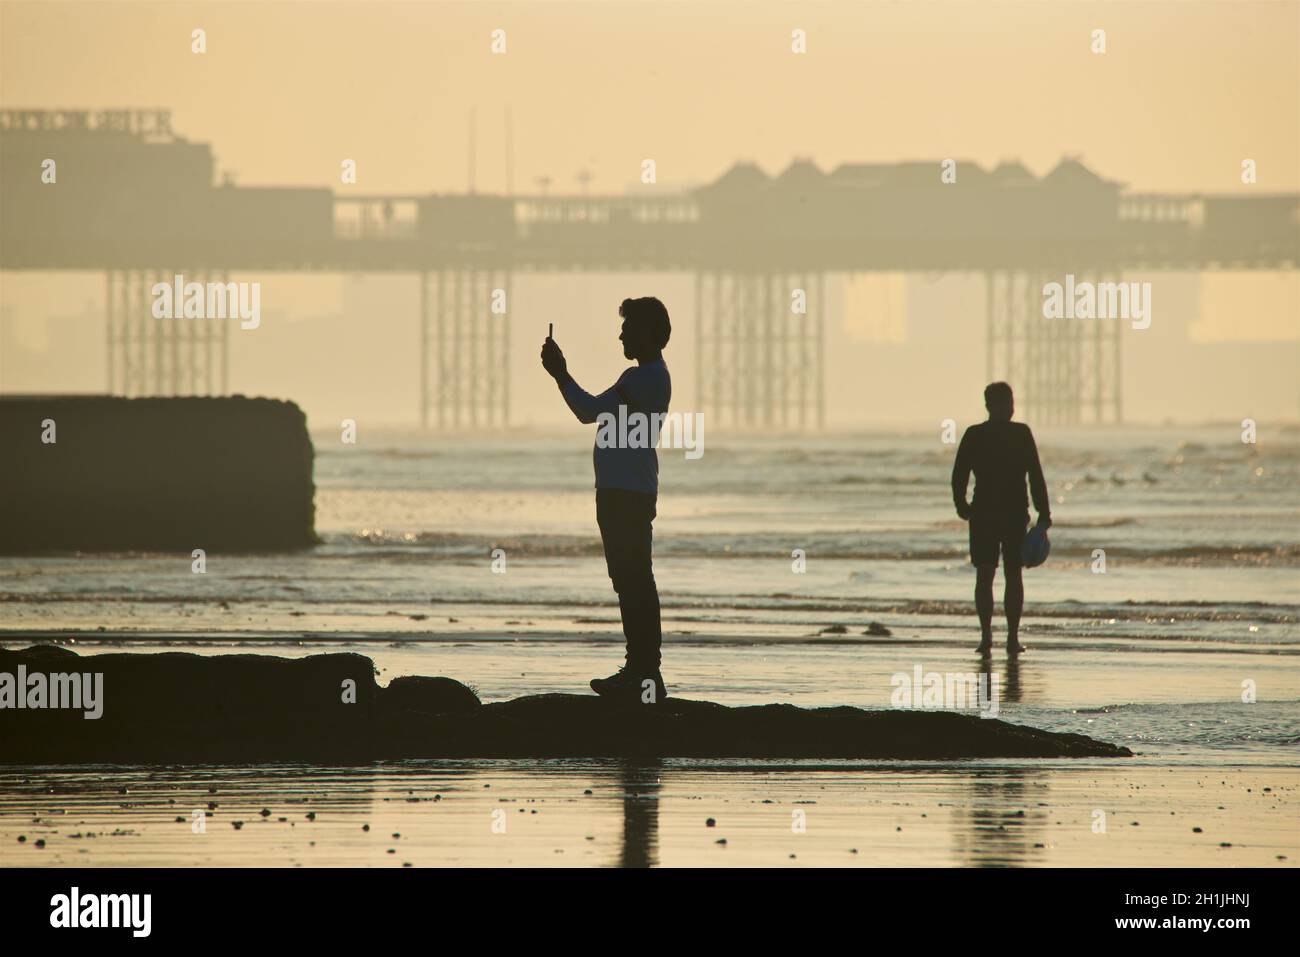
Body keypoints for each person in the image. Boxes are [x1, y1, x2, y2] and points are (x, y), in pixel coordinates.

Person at [540, 298, 672, 702]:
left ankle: (645, 674)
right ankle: (642, 673)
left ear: (648, 333)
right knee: (630, 581)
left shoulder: (642, 379)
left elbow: (588, 411)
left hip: (626, 494)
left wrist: (560, 374)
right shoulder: (647, 377)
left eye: (628, 328)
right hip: (624, 491)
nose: (621, 334)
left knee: (634, 582)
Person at [951, 382, 1051, 655]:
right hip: (995, 514)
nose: (1011, 408)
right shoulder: (993, 434)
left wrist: (1044, 513)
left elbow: (1035, 474)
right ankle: (989, 637)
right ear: (991, 406)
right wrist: (962, 506)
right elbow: (959, 475)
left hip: (1004, 514)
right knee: (989, 574)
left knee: (1008, 574)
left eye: (1011, 402)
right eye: (1006, 403)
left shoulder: (1005, 434)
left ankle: (1009, 638)